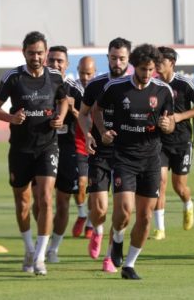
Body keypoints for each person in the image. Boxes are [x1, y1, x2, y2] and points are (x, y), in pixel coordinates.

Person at [0, 31, 68, 276]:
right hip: (21, 149)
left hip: (48, 146)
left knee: (45, 199)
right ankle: (29, 248)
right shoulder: (14, 77)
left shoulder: (54, 76)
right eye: (32, 53)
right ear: (24, 53)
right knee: (23, 204)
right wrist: (11, 118)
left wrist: (61, 117)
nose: (37, 57)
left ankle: (41, 257)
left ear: (46, 53)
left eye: (40, 53)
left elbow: (64, 100)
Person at [92, 44, 175, 280]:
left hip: (151, 159)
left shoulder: (163, 91)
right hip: (123, 157)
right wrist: (104, 131)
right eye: (142, 69)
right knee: (124, 212)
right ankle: (117, 238)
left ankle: (129, 264)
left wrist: (169, 126)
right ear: (133, 67)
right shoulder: (115, 88)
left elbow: (169, 122)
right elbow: (96, 111)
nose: (147, 74)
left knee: (146, 216)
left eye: (151, 70)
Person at [78, 37, 132, 273]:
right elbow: (83, 114)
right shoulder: (96, 84)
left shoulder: (136, 84)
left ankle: (110, 256)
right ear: (107, 58)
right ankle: (98, 230)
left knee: (122, 210)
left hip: (126, 154)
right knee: (99, 209)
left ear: (128, 59)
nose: (117, 62)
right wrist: (89, 135)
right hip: (100, 151)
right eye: (113, 58)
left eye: (122, 58)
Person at [150, 46, 194, 239]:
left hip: (182, 142)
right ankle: (160, 228)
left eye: (161, 61)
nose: (157, 65)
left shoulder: (184, 83)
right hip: (160, 142)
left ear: (171, 63)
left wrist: (181, 116)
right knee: (160, 182)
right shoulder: (153, 84)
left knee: (179, 187)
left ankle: (188, 203)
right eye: (155, 61)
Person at [45, 45, 85, 262]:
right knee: (40, 202)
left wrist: (73, 109)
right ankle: (44, 235)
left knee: (62, 202)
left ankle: (54, 248)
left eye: (60, 60)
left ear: (67, 64)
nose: (55, 64)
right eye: (51, 60)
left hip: (67, 149)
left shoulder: (75, 90)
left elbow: (88, 121)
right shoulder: (38, 84)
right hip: (40, 147)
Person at [72, 56, 97, 238]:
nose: (85, 77)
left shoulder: (101, 88)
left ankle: (89, 222)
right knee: (81, 184)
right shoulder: (72, 89)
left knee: (93, 188)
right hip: (79, 143)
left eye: (88, 73)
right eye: (82, 73)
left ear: (94, 72)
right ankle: (82, 214)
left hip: (98, 144)